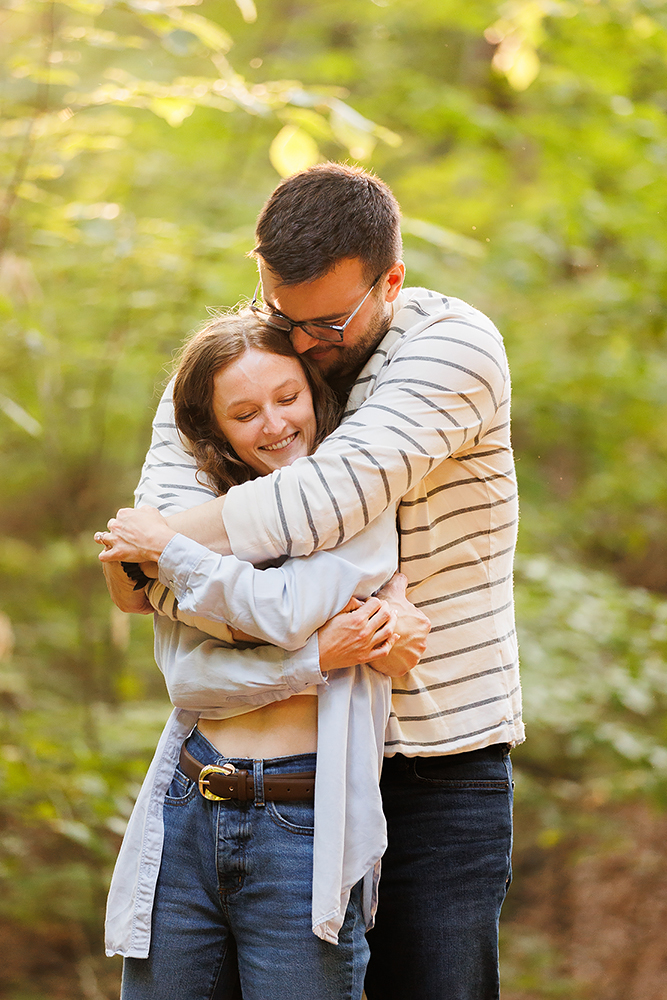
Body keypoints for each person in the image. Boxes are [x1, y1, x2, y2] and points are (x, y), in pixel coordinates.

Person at [101, 162, 522, 1000]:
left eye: (324, 323)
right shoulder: (249, 354)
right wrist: (154, 565)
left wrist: (149, 554)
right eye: (278, 313)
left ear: (389, 281)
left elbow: (325, 502)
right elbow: (164, 505)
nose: (296, 344)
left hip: (433, 756)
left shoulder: (451, 345)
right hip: (285, 757)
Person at [99, 313, 419, 1000]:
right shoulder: (198, 508)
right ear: (215, 429)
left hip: (302, 817)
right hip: (191, 794)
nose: (274, 423)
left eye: (287, 397)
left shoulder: (357, 504)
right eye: (244, 413)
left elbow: (282, 613)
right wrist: (312, 661)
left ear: (315, 390)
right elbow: (190, 682)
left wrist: (171, 554)